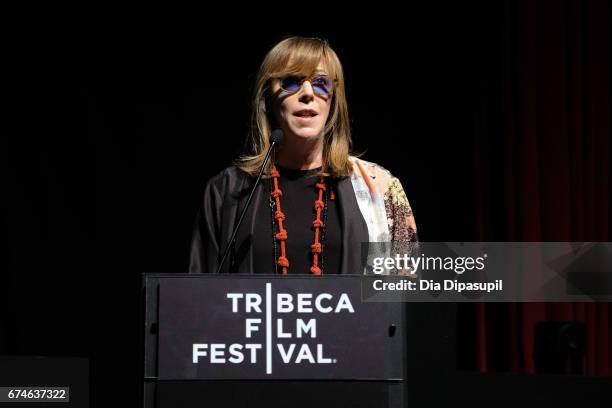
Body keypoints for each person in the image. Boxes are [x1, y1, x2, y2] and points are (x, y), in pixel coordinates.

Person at [189, 36, 418, 275]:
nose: (308, 93)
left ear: (334, 99)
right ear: (268, 98)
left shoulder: (381, 188)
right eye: (291, 81)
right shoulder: (227, 191)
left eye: (321, 82)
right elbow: (198, 298)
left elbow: (409, 294)